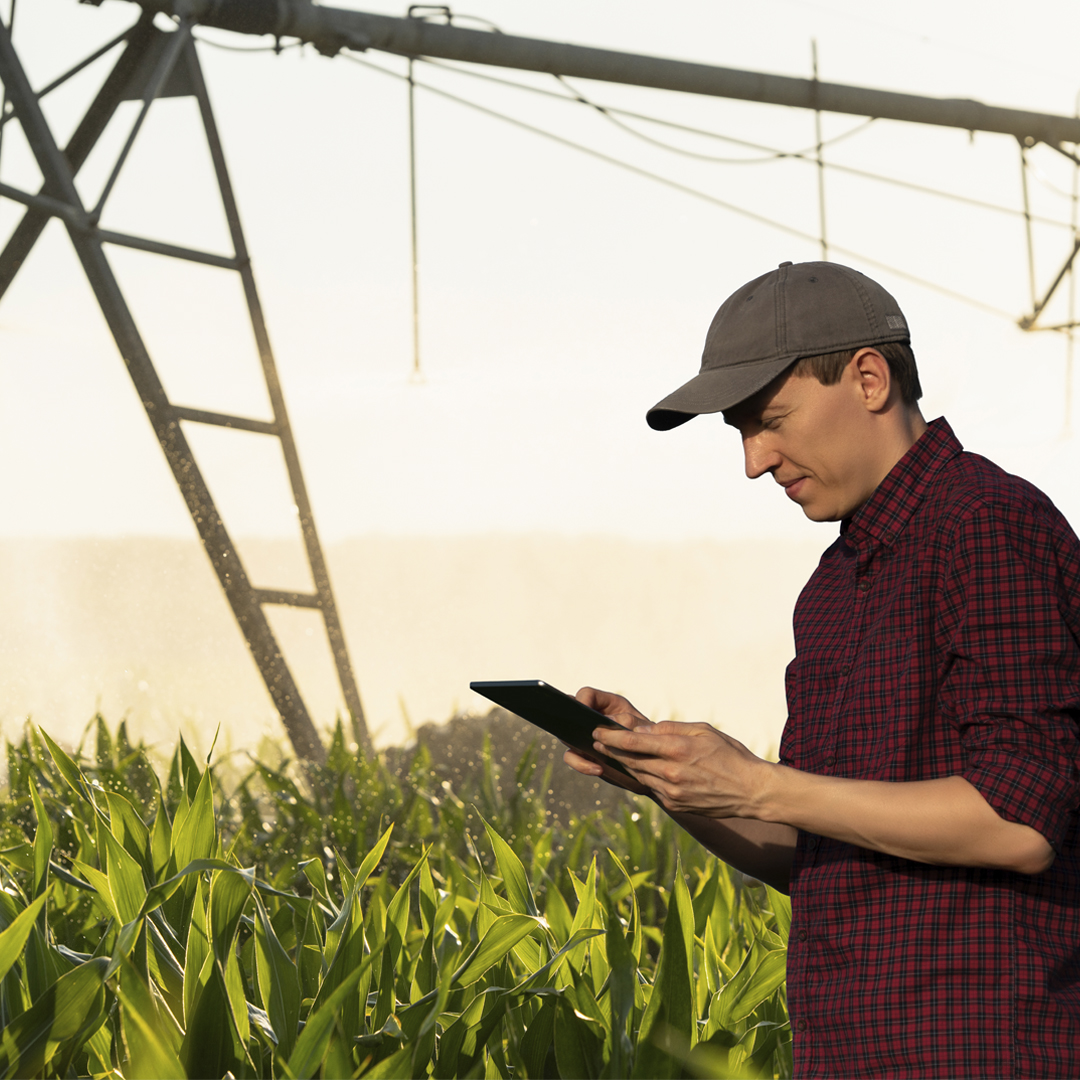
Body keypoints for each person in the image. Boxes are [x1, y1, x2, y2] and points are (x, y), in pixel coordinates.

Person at [563, 260, 1080, 1078]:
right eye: (740, 432)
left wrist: (759, 783)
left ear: (869, 379)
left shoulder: (986, 524)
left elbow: (1019, 823)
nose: (753, 460)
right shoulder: (833, 590)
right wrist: (675, 781)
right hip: (848, 1054)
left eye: (769, 420)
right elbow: (816, 853)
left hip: (984, 1051)